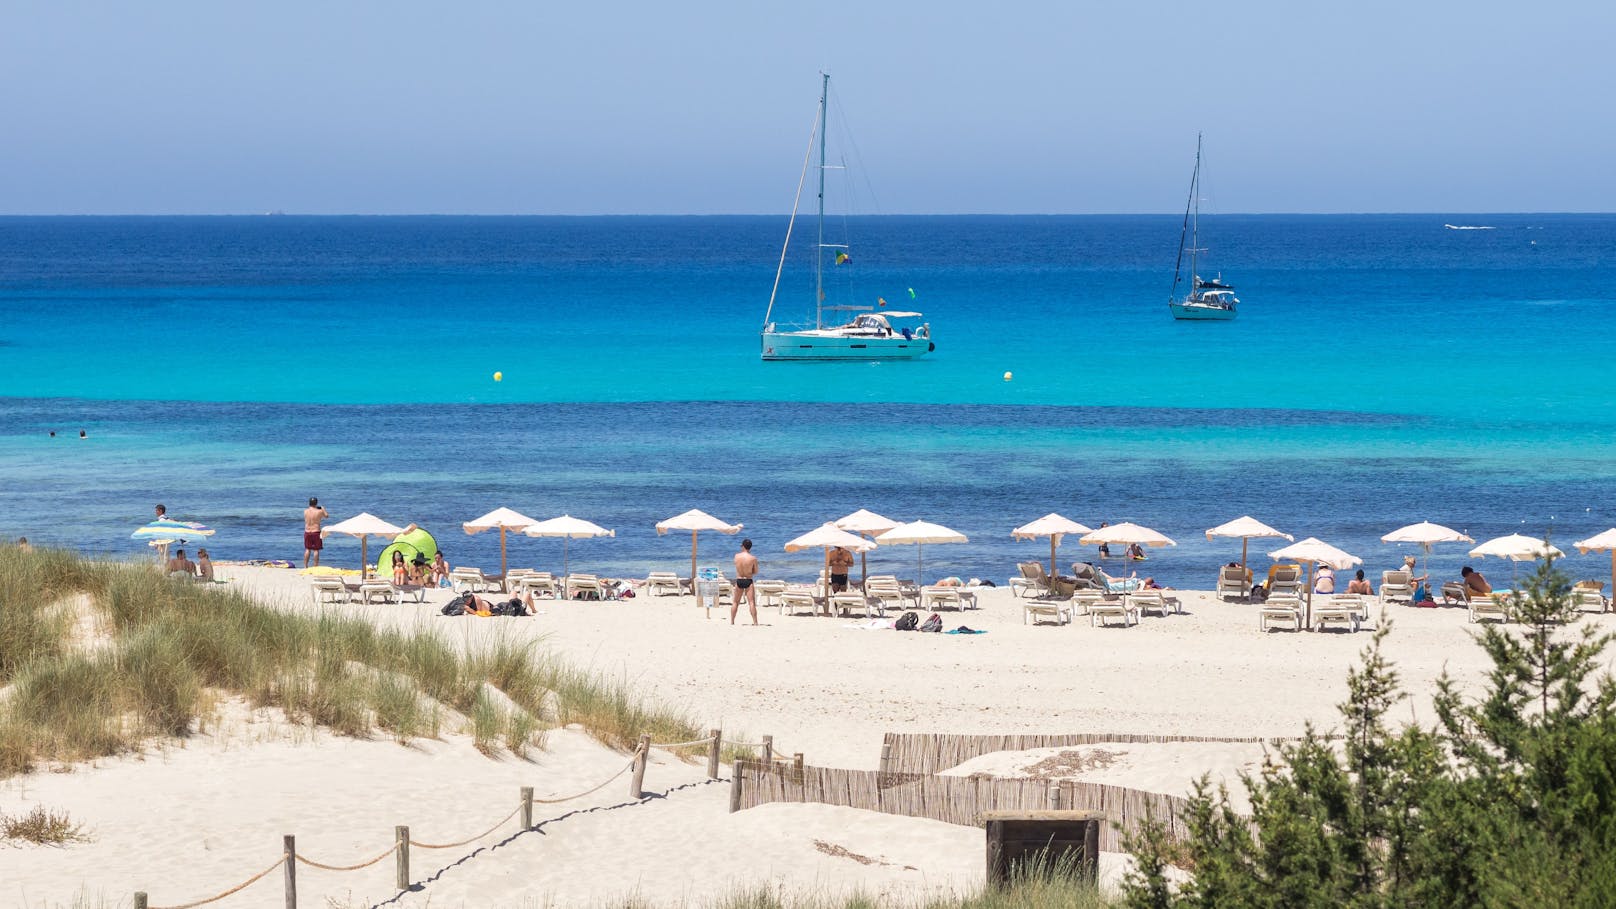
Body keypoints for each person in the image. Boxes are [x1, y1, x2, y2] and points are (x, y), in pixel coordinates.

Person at [731, 538, 759, 626]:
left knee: (735, 602)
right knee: (751, 602)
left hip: (739, 580)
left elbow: (736, 565)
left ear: (743, 546)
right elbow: (756, 571)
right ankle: (755, 622)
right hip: (748, 580)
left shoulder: (736, 556)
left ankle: (732, 621)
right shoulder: (753, 558)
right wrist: (750, 572)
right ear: (750, 547)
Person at [303, 497, 328, 568]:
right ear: (316, 503)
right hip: (316, 531)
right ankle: (315, 566)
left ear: (309, 503)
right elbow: (326, 516)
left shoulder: (305, 511)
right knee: (316, 550)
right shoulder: (319, 511)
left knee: (307, 549)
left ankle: (305, 566)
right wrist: (323, 509)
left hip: (307, 531)